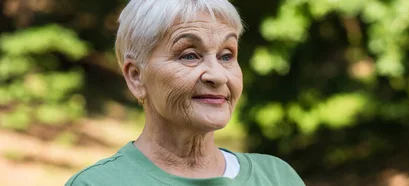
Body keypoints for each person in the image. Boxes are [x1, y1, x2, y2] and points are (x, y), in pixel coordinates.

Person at [65, 0, 304, 185]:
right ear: (136, 76)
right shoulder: (96, 184)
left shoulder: (278, 178)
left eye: (226, 55)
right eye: (189, 55)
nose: (218, 75)